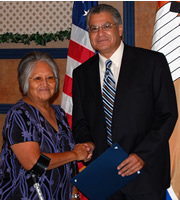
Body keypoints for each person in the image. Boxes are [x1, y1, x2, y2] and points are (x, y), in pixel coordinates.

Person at [72, 4, 178, 200]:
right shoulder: (81, 74)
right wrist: (87, 142)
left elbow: (167, 114)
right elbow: (80, 121)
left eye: (106, 26)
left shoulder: (152, 62)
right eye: (94, 28)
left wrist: (142, 155)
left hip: (146, 175)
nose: (100, 33)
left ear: (120, 29)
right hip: (105, 177)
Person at [0, 51, 90, 200]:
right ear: (25, 82)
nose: (45, 84)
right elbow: (35, 163)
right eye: (37, 79)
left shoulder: (59, 113)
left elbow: (69, 162)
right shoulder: (19, 114)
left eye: (50, 78)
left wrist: (74, 193)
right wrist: (75, 154)